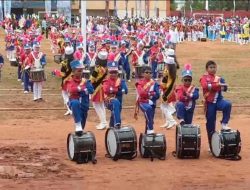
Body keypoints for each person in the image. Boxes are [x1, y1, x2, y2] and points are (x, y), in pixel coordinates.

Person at [200, 60, 231, 148]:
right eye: (211, 67)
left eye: (214, 67)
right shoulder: (204, 78)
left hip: (219, 101)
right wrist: (218, 85)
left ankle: (224, 123)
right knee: (210, 124)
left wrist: (214, 85)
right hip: (209, 104)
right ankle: (211, 145)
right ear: (207, 69)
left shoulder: (219, 78)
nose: (213, 69)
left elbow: (225, 88)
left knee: (228, 104)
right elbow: (205, 86)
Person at [67, 60, 94, 136]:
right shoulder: (69, 81)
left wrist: (80, 89)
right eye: (78, 70)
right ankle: (78, 125)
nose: (80, 72)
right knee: (75, 103)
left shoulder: (86, 80)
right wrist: (82, 88)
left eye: (81, 70)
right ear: (73, 71)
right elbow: (71, 90)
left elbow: (91, 90)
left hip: (84, 104)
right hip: (74, 102)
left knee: (82, 126)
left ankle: (79, 135)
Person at [135, 66, 160, 134]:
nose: (149, 74)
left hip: (152, 103)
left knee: (150, 119)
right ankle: (150, 130)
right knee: (148, 110)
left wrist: (148, 94)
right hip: (143, 102)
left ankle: (146, 135)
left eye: (150, 73)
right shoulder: (140, 83)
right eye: (146, 72)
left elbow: (157, 95)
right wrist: (151, 93)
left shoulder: (154, 83)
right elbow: (141, 93)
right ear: (143, 74)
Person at [52, 45, 74, 115]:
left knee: (65, 95)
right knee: (72, 96)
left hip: (66, 81)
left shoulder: (64, 63)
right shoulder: (76, 61)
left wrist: (55, 72)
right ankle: (71, 109)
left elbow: (63, 74)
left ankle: (70, 109)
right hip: (74, 80)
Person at [90, 51, 109, 130]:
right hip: (102, 87)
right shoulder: (106, 68)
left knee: (96, 105)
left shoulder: (97, 69)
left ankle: (103, 122)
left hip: (97, 88)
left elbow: (92, 80)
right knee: (101, 105)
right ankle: (104, 122)